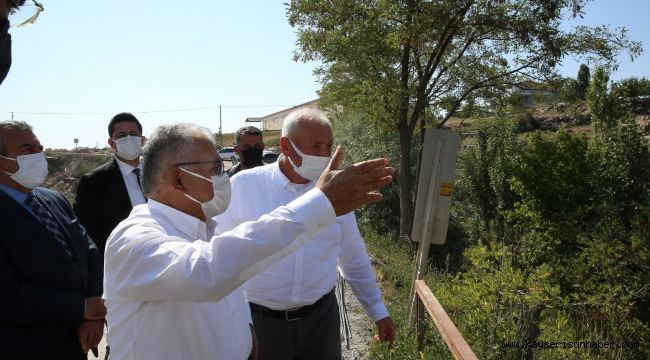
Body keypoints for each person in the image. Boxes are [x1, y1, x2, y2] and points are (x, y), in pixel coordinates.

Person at [103, 123, 393, 360]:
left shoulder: (206, 228)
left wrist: (244, 331)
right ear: (178, 179)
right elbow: (207, 271)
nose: (223, 176)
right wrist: (320, 204)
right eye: (214, 168)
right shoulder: (133, 237)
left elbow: (234, 277)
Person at [216, 108, 396, 360]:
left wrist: (378, 311)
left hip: (320, 321)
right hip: (258, 322)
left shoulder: (337, 192)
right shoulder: (243, 186)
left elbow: (353, 256)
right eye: (316, 146)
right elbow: (217, 259)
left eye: (328, 146)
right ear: (286, 146)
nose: (324, 155)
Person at [0, 121, 106, 359]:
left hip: (75, 342)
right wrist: (80, 308)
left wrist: (93, 312)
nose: (39, 156)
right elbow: (6, 294)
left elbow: (89, 251)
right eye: (27, 150)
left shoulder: (54, 199)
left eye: (39, 148)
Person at [74, 112, 146, 253]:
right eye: (122, 135)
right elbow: (86, 234)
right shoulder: (94, 181)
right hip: (120, 264)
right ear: (111, 143)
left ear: (142, 140)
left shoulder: (159, 174)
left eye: (133, 134)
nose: (129, 139)